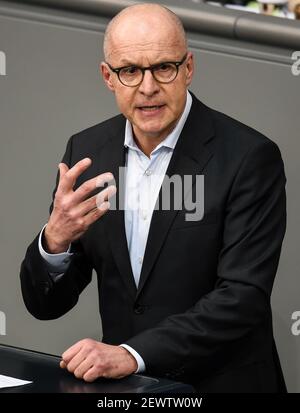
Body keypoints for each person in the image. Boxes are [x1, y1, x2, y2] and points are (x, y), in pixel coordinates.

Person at [20, 3, 287, 392]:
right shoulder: (87, 151)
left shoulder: (249, 157)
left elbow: (242, 298)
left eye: (164, 67)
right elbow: (46, 305)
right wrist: (55, 241)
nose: (148, 87)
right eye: (130, 71)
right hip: (128, 393)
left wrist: (131, 353)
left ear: (188, 68)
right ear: (108, 77)